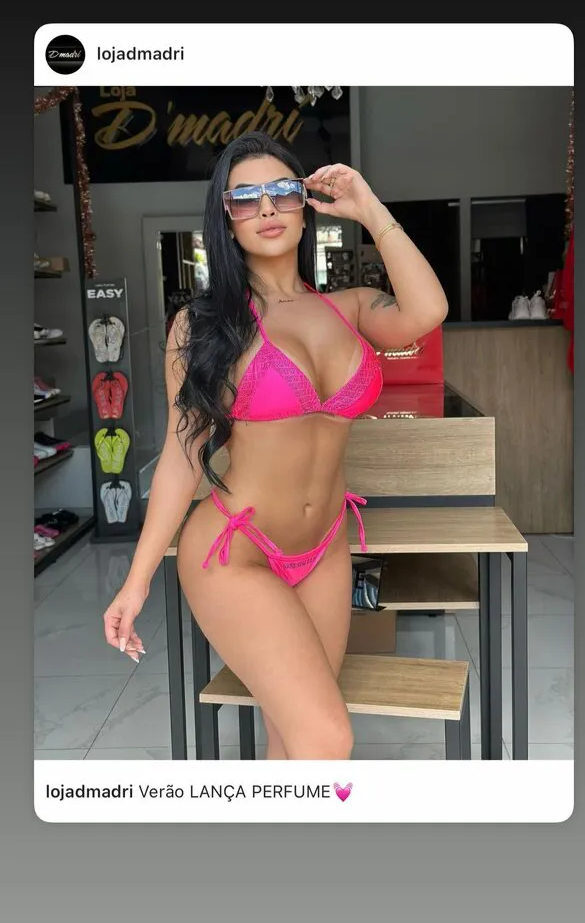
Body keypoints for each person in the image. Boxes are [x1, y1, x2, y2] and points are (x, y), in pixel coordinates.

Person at [103, 131, 448, 760]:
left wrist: (369, 207)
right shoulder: (202, 326)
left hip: (325, 548)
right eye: (245, 198)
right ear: (226, 219)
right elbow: (183, 457)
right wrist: (137, 580)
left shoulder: (349, 308)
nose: (266, 208)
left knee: (292, 742)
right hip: (234, 551)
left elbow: (427, 309)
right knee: (327, 736)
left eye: (282, 191)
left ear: (305, 205)